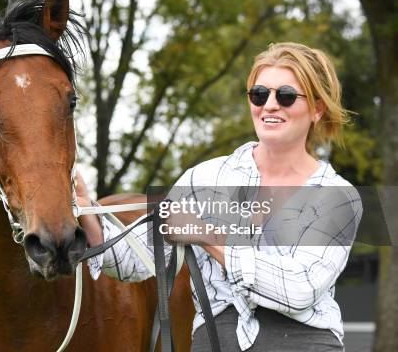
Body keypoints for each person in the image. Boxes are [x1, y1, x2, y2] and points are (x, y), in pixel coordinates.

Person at [77, 42, 361, 352]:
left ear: (317, 109)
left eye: (286, 96)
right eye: (259, 94)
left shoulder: (338, 197)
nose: (269, 105)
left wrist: (207, 236)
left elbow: (299, 290)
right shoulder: (204, 179)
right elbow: (135, 261)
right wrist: (87, 213)